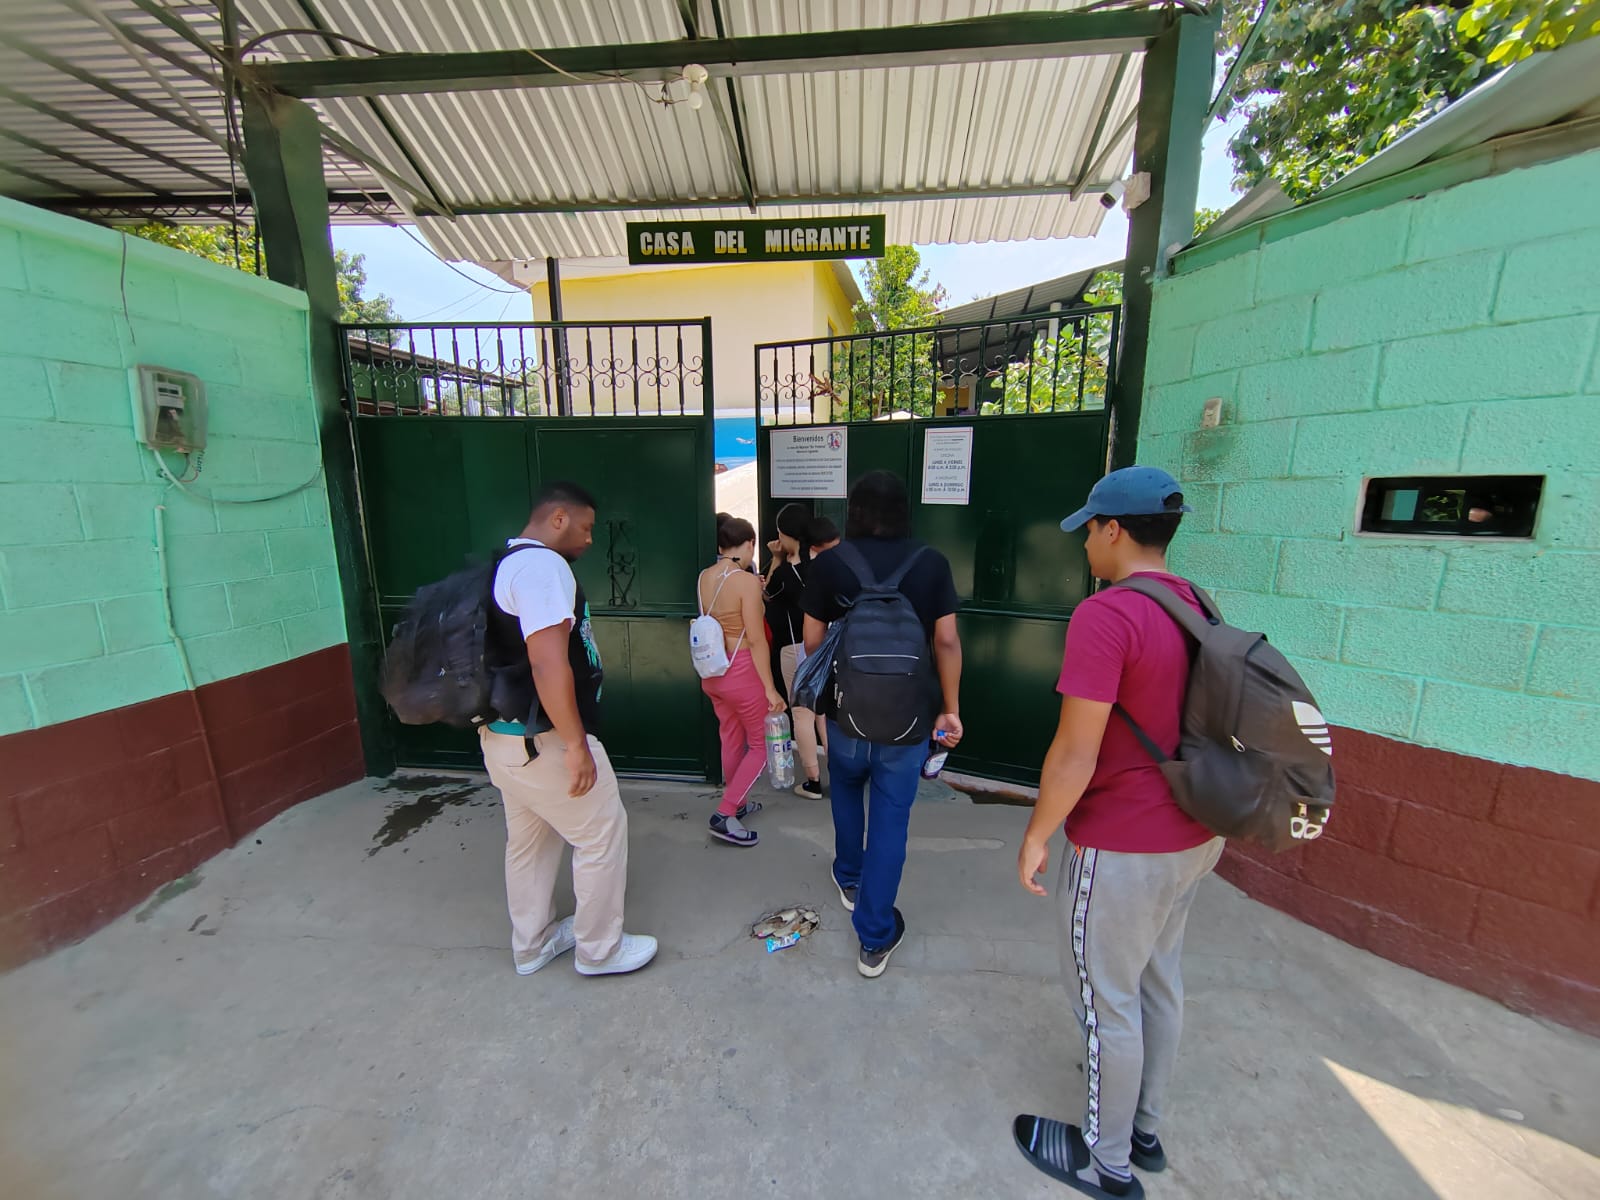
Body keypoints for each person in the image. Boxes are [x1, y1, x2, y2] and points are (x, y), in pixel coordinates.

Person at [1012, 466, 1223, 1200]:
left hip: (1126, 843)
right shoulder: (1198, 603)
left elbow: (1077, 751)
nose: (1084, 546)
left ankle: (1105, 1164)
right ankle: (1144, 1131)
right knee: (1158, 979)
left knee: (1106, 1004)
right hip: (1196, 832)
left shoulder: (1106, 616)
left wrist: (1038, 833)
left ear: (1113, 530)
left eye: (1089, 531)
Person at [479, 482, 658, 979]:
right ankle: (600, 950)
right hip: (545, 742)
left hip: (507, 740)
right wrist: (576, 744)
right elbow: (546, 662)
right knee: (601, 833)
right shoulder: (543, 567)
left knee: (530, 843)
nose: (589, 539)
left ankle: (532, 945)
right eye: (586, 527)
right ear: (558, 517)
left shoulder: (507, 562)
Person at [802, 471, 964, 978]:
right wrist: (950, 707)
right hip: (908, 722)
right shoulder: (931, 563)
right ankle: (874, 938)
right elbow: (946, 642)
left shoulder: (830, 564)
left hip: (846, 715)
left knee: (847, 791)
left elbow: (812, 643)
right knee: (891, 820)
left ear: (853, 511)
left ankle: (849, 878)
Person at [699, 513, 786, 846]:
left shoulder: (704, 577)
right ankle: (725, 813)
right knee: (761, 746)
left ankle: (737, 802)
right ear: (749, 544)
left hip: (714, 671)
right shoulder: (745, 581)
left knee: (731, 738)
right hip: (742, 671)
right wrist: (770, 688)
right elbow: (756, 639)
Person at [764, 502, 826, 799]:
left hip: (795, 647)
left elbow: (767, 594)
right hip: (825, 646)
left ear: (787, 535)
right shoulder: (823, 564)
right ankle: (841, 774)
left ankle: (813, 781)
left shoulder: (785, 573)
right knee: (824, 712)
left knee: (801, 713)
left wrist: (776, 558)